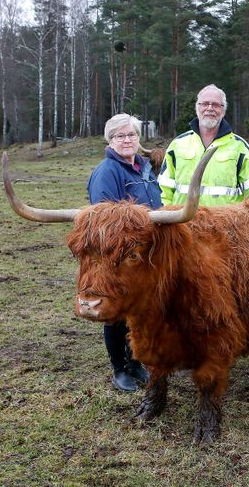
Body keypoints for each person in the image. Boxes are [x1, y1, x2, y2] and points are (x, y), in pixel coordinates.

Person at [87, 113, 161, 392]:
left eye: (131, 135)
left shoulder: (144, 168)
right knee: (116, 313)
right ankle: (119, 368)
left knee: (139, 311)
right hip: (120, 257)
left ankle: (136, 363)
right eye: (120, 136)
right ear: (110, 140)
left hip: (146, 254)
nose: (127, 140)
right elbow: (104, 221)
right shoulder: (107, 171)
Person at [158, 84, 249, 206]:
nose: (209, 108)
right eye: (205, 104)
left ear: (223, 111)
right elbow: (163, 189)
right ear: (197, 108)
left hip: (224, 226)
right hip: (184, 227)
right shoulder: (177, 144)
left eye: (216, 105)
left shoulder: (239, 147)